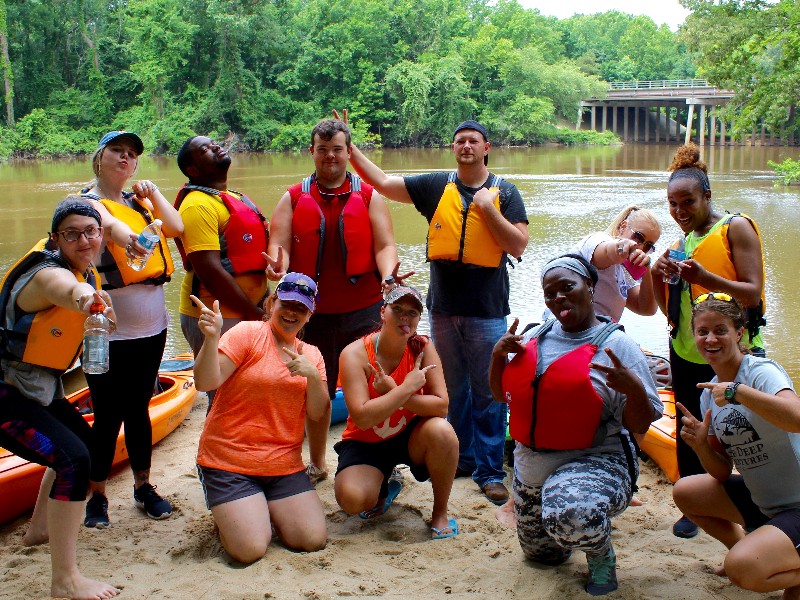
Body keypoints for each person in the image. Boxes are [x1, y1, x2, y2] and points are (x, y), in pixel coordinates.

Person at [339, 111, 529, 505]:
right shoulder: (435, 186)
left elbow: (518, 245)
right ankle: (461, 459)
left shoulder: (505, 192)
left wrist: (487, 210)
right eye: (460, 140)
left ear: (486, 148)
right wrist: (352, 148)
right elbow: (384, 183)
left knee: (489, 392)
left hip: (487, 310)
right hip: (442, 308)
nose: (466, 146)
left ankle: (490, 471)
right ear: (453, 147)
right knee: (453, 390)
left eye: (474, 140)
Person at [488, 254, 662, 596]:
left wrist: (634, 390)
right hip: (532, 468)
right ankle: (566, 519)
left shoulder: (616, 346)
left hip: (596, 460)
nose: (558, 298)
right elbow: (500, 396)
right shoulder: (535, 336)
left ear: (591, 286)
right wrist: (497, 357)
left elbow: (643, 420)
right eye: (550, 293)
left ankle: (601, 555)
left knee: (572, 517)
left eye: (568, 287)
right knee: (544, 556)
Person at [268, 118, 407, 485]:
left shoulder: (368, 196)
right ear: (311, 152)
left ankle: (380, 458)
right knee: (314, 389)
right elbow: (278, 244)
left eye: (337, 150)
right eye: (323, 150)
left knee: (377, 383)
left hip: (362, 309)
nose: (330, 157)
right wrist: (276, 265)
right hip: (311, 315)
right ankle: (316, 462)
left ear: (349, 152)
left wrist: (389, 275)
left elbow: (384, 245)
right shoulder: (294, 197)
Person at [0, 198, 120, 599]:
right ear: (55, 239)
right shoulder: (48, 275)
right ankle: (64, 581)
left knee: (83, 448)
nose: (83, 240)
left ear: (101, 235)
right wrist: (90, 301)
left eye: (90, 232)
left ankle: (40, 529)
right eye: (71, 233)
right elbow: (69, 292)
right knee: (74, 460)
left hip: (35, 386)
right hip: (5, 392)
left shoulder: (83, 268)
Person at [651, 143, 767, 539]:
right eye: (672, 203)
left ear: (707, 197)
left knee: (745, 429)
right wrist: (656, 270)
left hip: (734, 353)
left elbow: (751, 293)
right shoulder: (680, 244)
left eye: (688, 201)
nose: (680, 211)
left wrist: (707, 277)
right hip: (687, 349)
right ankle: (697, 503)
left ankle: (762, 506)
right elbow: (665, 309)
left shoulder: (736, 227)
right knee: (690, 426)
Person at [80, 130, 184, 528]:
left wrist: (154, 193)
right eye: (117, 152)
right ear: (100, 157)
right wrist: (135, 242)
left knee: (139, 409)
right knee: (106, 415)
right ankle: (98, 496)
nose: (126, 159)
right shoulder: (87, 202)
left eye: (132, 154)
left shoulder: (139, 200)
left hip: (152, 328)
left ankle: (143, 486)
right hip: (106, 332)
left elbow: (174, 227)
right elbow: (109, 228)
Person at [192, 272, 328, 563]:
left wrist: (314, 378)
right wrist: (211, 337)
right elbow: (206, 382)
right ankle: (238, 513)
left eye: (301, 308)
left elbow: (317, 413)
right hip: (228, 460)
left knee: (311, 540)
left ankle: (256, 509)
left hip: (283, 464)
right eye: (286, 304)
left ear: (309, 315)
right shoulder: (248, 333)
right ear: (271, 303)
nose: (292, 312)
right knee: (249, 549)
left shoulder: (313, 355)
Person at [673, 293, 800, 599]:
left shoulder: (760, 373)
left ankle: (767, 560)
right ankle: (747, 545)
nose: (710, 339)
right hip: (765, 503)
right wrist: (702, 446)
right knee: (685, 491)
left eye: (720, 330)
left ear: (739, 332)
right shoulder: (709, 394)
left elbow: (796, 418)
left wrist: (737, 392)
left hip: (797, 504)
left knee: (743, 569)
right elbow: (720, 472)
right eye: (702, 332)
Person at [335, 285, 458, 538]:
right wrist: (405, 390)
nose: (405, 317)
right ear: (383, 312)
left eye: (412, 313)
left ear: (418, 319)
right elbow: (362, 417)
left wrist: (396, 391)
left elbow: (442, 406)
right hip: (366, 440)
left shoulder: (422, 347)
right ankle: (386, 485)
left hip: (410, 435)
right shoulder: (355, 354)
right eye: (397, 309)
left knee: (443, 432)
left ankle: (440, 514)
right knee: (352, 501)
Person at [174, 136, 270, 402]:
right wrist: (253, 312)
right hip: (215, 316)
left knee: (247, 391)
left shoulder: (232, 198)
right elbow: (210, 272)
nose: (215, 147)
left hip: (247, 311)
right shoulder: (197, 204)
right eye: (204, 149)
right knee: (224, 397)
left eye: (213, 143)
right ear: (192, 170)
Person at [572, 205, 661, 322]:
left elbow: (647, 308)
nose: (641, 247)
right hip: (574, 331)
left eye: (648, 246)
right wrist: (622, 247)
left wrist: (647, 269)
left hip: (599, 334)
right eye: (638, 237)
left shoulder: (623, 270)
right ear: (622, 227)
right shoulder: (598, 239)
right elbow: (608, 251)